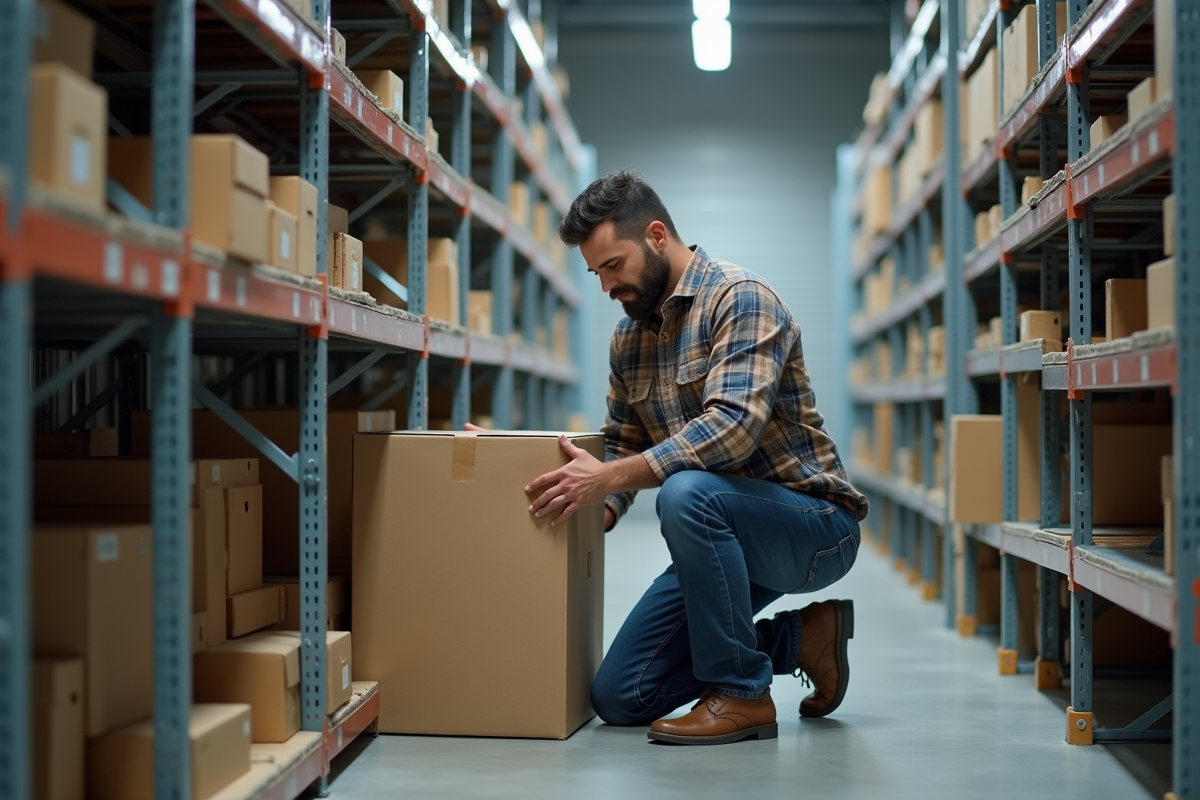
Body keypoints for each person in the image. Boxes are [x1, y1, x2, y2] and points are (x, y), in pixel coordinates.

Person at [521, 170, 869, 746]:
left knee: (688, 491)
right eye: (595, 273)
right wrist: (550, 480)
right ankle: (803, 639)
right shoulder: (628, 338)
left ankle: (742, 694)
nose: (606, 286)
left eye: (614, 265)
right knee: (620, 694)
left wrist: (610, 473)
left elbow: (732, 432)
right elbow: (623, 446)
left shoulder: (742, 300)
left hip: (813, 528)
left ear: (656, 235)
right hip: (718, 532)